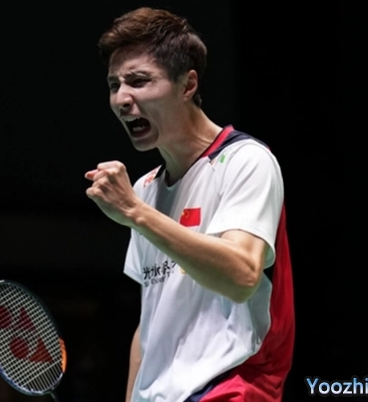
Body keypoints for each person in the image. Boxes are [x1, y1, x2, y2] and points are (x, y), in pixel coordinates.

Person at [85, 7, 294, 402]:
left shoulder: (245, 161)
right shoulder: (145, 189)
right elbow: (151, 323)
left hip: (230, 390)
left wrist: (135, 213)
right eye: (114, 85)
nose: (121, 99)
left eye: (139, 81)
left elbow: (241, 276)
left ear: (187, 84)